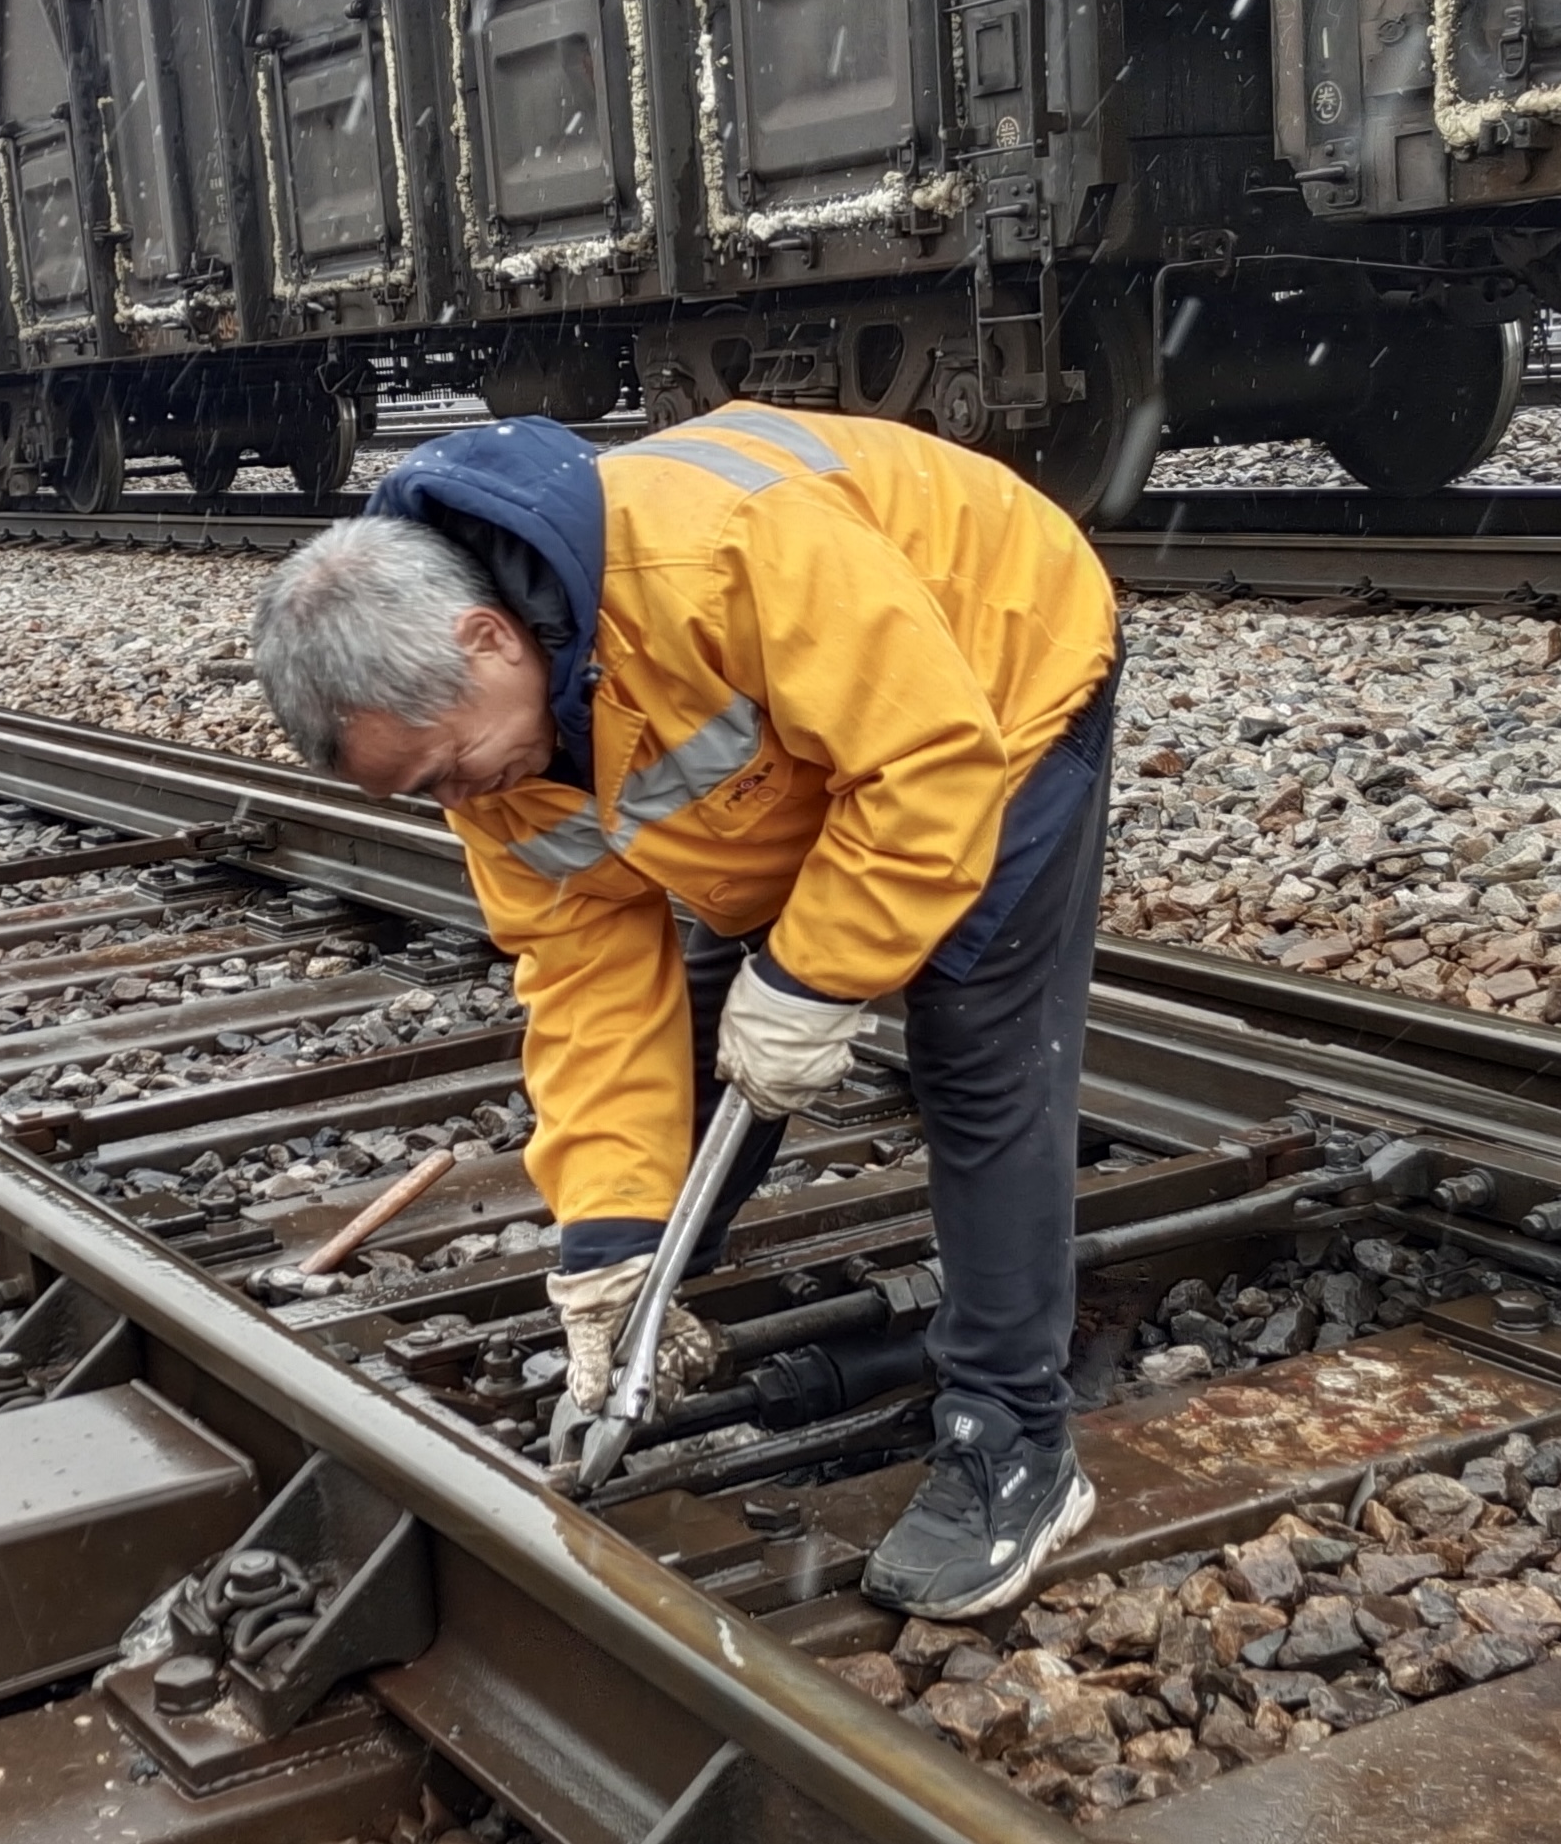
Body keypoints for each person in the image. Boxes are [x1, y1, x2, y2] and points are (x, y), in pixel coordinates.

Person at [249, 400, 1122, 1617]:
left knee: (973, 1048)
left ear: (487, 637)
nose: (455, 799)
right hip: (812, 756)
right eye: (422, 792)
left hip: (991, 675)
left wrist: (816, 974)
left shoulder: (721, 553)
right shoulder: (487, 747)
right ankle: (642, 1311)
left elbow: (924, 762)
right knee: (718, 1030)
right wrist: (605, 1239)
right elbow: (584, 977)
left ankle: (1013, 1436)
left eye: (447, 768)